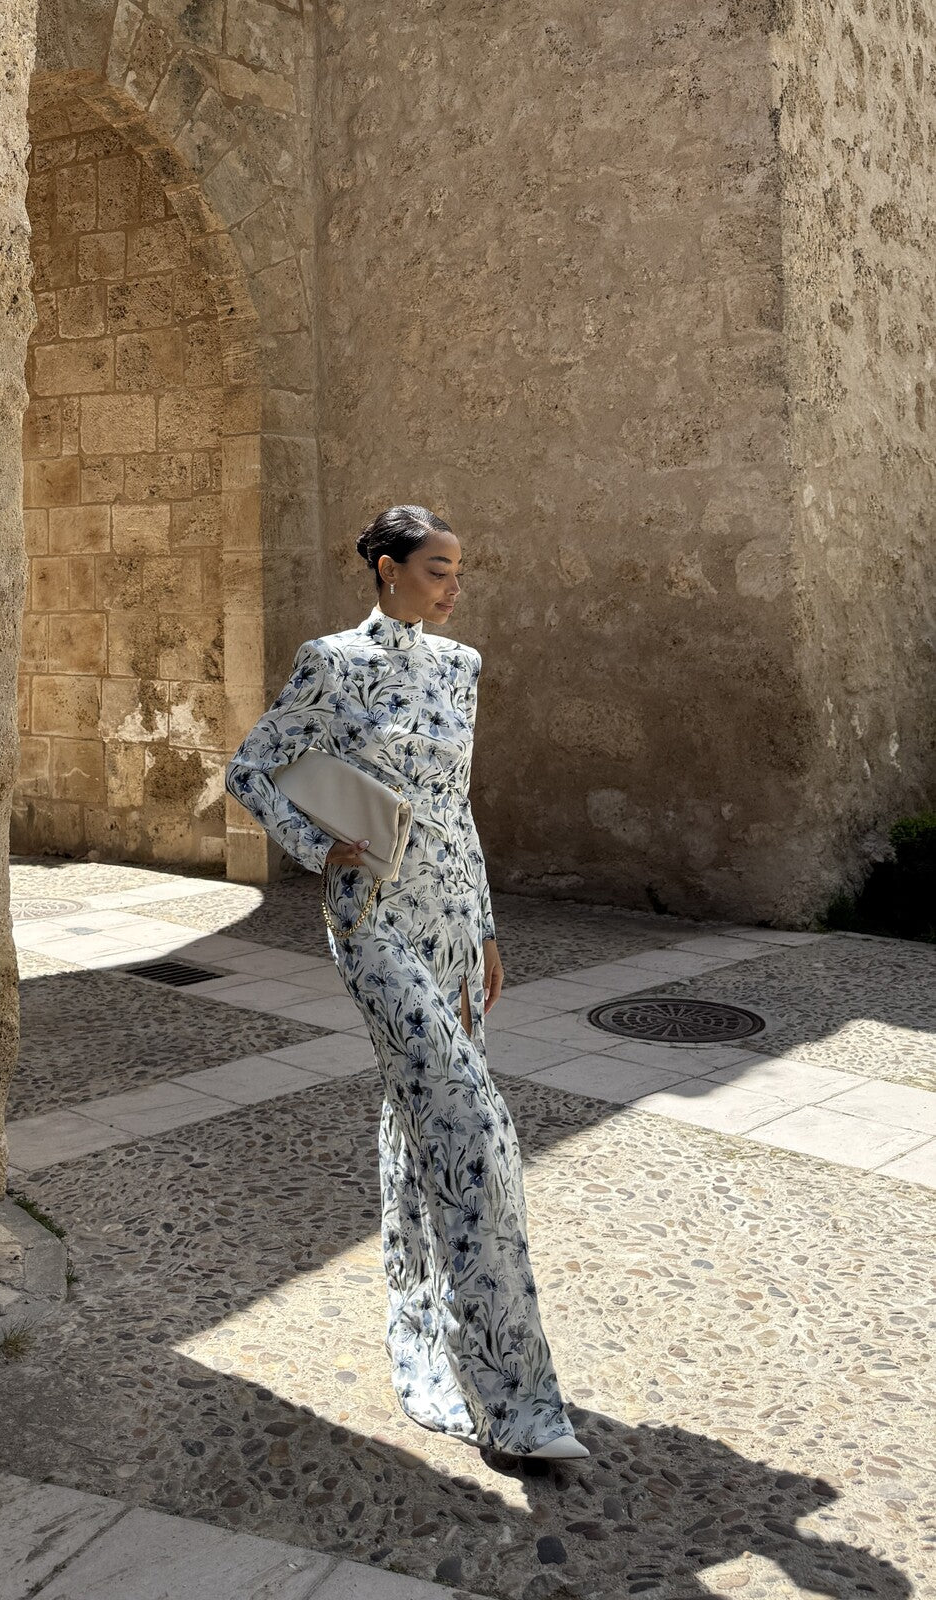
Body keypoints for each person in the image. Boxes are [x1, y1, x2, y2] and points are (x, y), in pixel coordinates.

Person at [224, 505, 588, 1461]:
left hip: (452, 923)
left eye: (460, 571)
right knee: (473, 1129)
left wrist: (487, 925)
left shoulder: (462, 667)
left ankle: (423, 1328)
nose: (452, 586)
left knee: (418, 1116)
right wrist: (318, 848)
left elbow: (456, 809)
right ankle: (515, 1401)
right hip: (372, 922)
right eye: (436, 569)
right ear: (387, 569)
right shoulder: (331, 663)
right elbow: (250, 769)